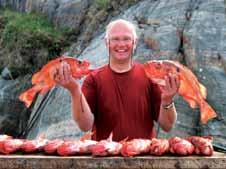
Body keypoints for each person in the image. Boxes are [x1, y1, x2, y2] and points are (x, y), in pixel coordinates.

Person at [51, 19, 180, 141]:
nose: (121, 44)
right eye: (115, 39)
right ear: (107, 43)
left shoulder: (150, 76)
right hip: (104, 160)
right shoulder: (93, 79)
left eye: (126, 39)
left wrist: (167, 100)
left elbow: (167, 126)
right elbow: (85, 125)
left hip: (143, 159)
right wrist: (74, 90)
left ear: (135, 42)